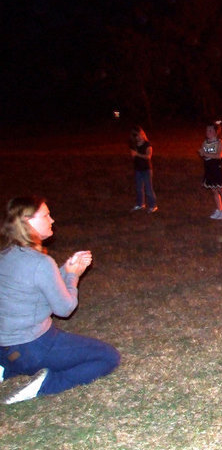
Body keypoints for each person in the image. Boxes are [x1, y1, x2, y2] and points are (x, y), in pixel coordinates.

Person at [0, 197, 120, 404]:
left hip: (6, 345)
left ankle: (5, 367)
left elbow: (36, 285)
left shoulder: (6, 255)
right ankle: (45, 384)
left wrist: (66, 268)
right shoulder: (40, 262)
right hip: (34, 346)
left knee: (18, 356)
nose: (52, 219)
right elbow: (65, 308)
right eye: (46, 215)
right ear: (27, 221)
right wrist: (73, 275)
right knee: (108, 357)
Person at [198, 120, 222, 220]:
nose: (208, 132)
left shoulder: (220, 143)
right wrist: (202, 153)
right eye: (207, 130)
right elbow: (203, 154)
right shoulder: (204, 143)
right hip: (209, 169)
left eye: (210, 130)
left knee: (221, 189)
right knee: (214, 190)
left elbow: (218, 155)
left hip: (217, 169)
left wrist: (205, 154)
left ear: (216, 132)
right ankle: (218, 209)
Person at [129, 125, 158, 213]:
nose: (139, 137)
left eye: (140, 134)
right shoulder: (133, 145)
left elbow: (148, 156)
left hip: (146, 170)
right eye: (137, 136)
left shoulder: (147, 144)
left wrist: (137, 154)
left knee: (148, 189)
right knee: (139, 188)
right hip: (138, 169)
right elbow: (133, 156)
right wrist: (134, 154)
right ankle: (140, 204)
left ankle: (153, 206)